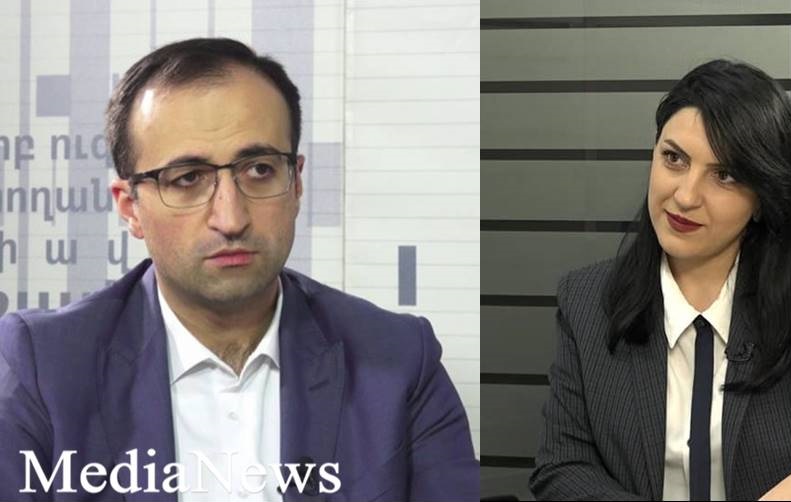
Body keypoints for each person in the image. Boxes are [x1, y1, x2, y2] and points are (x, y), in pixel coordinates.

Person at [0, 38, 477, 501]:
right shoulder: (43, 366)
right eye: (187, 178)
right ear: (130, 208)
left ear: (296, 184)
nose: (231, 218)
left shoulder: (399, 359)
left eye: (259, 170)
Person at [528, 59, 791, 501]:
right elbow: (563, 467)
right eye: (674, 158)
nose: (685, 196)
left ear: (762, 198)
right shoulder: (588, 300)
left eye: (725, 175)